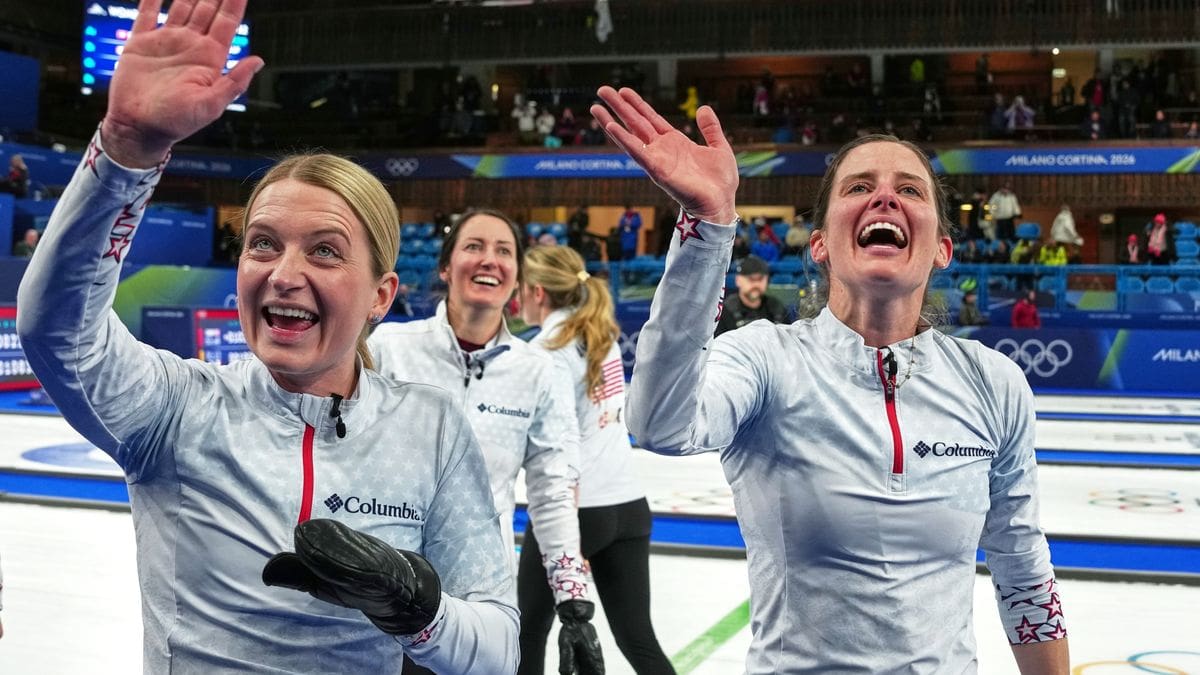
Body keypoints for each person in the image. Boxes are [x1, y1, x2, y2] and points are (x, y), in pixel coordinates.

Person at [16, 2, 518, 672]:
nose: (284, 274)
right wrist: (125, 151)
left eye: (324, 251)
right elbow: (56, 329)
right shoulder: (177, 408)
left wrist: (419, 611)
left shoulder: (431, 428)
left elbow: (499, 649)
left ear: (381, 295)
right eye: (262, 245)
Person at [590, 85, 1069, 672]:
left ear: (942, 248)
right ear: (819, 243)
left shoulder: (994, 383)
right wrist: (706, 227)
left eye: (910, 190)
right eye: (860, 187)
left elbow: (1022, 569)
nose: (885, 199)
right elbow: (659, 424)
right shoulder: (767, 358)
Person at [367, 209, 604, 675]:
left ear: (517, 278)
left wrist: (574, 604)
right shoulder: (388, 349)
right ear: (445, 266)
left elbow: (553, 493)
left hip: (479, 599)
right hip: (383, 589)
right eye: (473, 246)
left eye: (503, 251)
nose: (489, 260)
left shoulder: (540, 371)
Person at [517, 244, 675, 675]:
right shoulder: (598, 333)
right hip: (628, 505)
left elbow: (558, 444)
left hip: (577, 510)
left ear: (535, 292)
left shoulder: (546, 351)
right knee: (639, 641)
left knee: (527, 631)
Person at [714, 254, 790, 337]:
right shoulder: (724, 312)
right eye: (751, 279)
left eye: (760, 279)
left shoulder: (777, 308)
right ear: (738, 280)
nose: (756, 284)